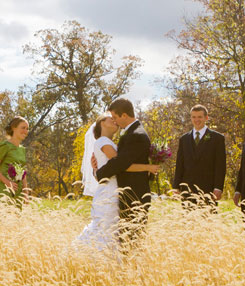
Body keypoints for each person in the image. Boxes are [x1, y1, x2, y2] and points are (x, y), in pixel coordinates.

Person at [76, 114, 159, 254]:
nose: (114, 120)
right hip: (109, 193)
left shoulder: (110, 143)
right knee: (106, 228)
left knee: (111, 228)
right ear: (102, 123)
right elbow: (121, 165)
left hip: (112, 189)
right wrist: (148, 167)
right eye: (110, 118)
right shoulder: (104, 142)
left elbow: (107, 171)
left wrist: (96, 171)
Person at [95, 98, 152, 252]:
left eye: (115, 117)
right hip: (127, 194)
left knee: (131, 239)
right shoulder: (132, 133)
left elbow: (121, 163)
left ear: (124, 116)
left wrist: (99, 173)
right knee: (125, 238)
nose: (114, 121)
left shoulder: (137, 135)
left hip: (134, 195)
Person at [172, 104, 226, 208]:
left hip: (208, 190)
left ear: (206, 118)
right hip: (187, 189)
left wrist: (218, 187)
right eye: (194, 117)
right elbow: (179, 165)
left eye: (200, 117)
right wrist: (176, 186)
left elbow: (220, 166)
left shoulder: (217, 138)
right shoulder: (184, 139)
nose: (197, 120)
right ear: (191, 118)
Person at [0, 116, 29, 203]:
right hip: (5, 190)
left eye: (27, 129)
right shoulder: (4, 145)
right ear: (13, 128)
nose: (25, 131)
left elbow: (22, 172)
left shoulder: (22, 149)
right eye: (23, 128)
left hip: (18, 193)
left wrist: (25, 192)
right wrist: (8, 183)